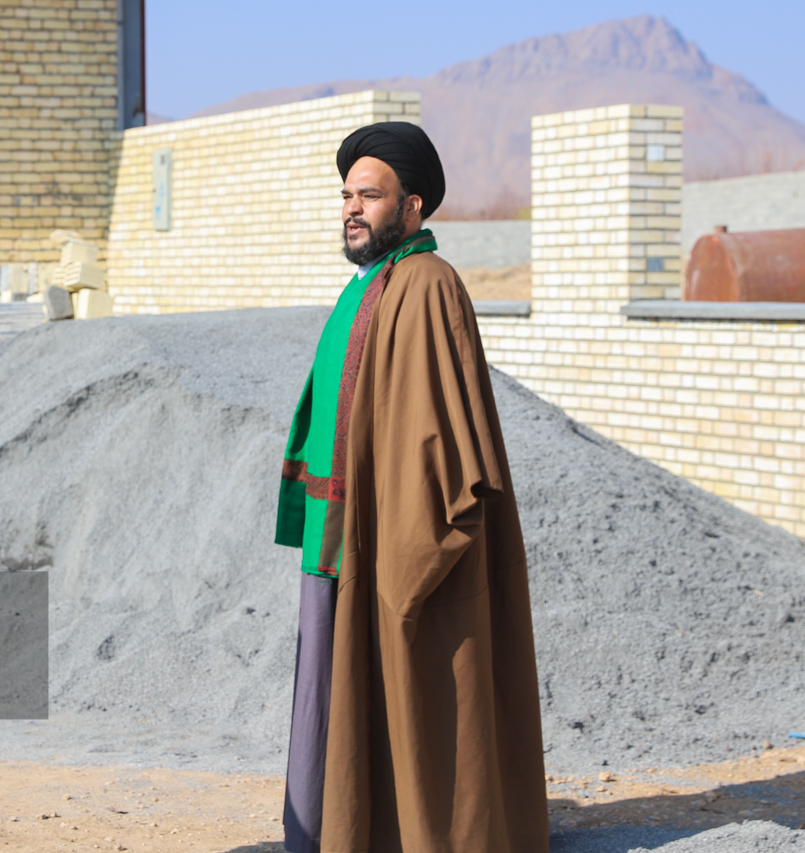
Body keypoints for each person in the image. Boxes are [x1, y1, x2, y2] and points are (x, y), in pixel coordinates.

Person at [275, 122, 548, 852]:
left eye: (369, 195)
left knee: (403, 685)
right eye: (346, 195)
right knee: (330, 690)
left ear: (412, 206)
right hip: (338, 537)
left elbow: (441, 442)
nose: (352, 208)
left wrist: (405, 549)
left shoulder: (429, 284)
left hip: (388, 538)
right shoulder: (369, 285)